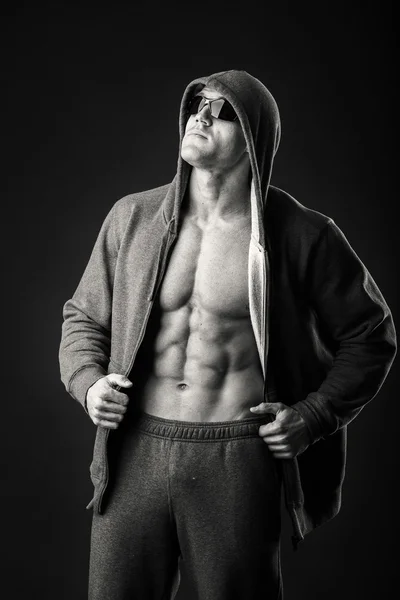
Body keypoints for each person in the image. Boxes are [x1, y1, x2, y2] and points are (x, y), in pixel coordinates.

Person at [59, 69, 397, 599]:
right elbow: (83, 316)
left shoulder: (303, 235)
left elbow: (371, 335)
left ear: (254, 141)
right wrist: (88, 382)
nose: (202, 115)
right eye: (198, 104)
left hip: (235, 458)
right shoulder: (132, 217)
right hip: (135, 453)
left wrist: (313, 417)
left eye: (224, 111)